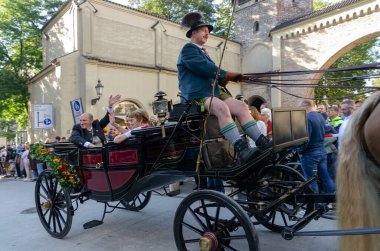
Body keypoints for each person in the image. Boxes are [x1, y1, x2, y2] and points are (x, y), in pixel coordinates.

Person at [177, 12, 270, 163]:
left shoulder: (202, 52)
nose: (207, 34)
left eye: (208, 32)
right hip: (197, 95)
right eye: (204, 31)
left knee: (241, 106)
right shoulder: (188, 49)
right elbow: (204, 68)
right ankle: (242, 150)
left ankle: (262, 142)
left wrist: (229, 78)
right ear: (194, 32)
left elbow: (212, 73)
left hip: (213, 92)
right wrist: (228, 75)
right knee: (222, 108)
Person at [336, 92, 380, 251]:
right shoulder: (346, 122)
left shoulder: (348, 122)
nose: (343, 109)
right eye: (342, 107)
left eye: (346, 107)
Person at [298, 100, 335, 194]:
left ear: (304, 106)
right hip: (322, 151)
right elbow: (327, 130)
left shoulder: (306, 118)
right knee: (325, 177)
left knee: (311, 180)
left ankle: (315, 205)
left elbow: (306, 139)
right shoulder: (320, 116)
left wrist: (300, 151)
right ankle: (332, 200)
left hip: (310, 154)